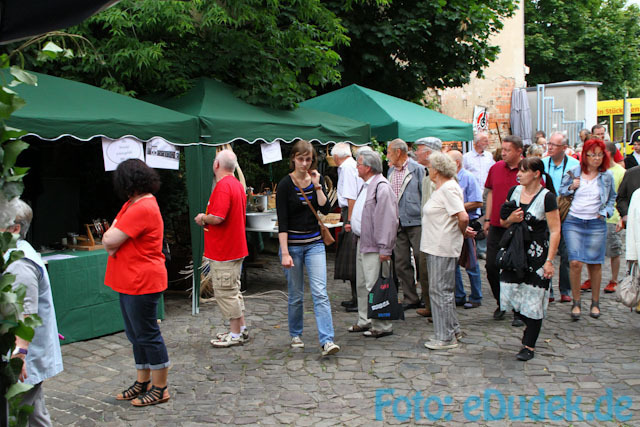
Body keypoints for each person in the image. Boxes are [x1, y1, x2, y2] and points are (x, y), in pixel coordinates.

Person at [103, 159, 170, 406]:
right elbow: (110, 237)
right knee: (136, 335)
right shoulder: (133, 204)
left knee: (147, 334)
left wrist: (112, 241)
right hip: (131, 280)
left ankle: (160, 388)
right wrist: (112, 240)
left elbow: (110, 239)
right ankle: (144, 382)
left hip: (142, 280)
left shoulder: (142, 207)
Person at [276, 140, 340, 356]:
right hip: (293, 246)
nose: (304, 163)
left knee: (320, 292)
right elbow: (282, 222)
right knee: (296, 294)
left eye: (308, 159)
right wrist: (284, 252)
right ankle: (295, 333)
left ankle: (327, 340)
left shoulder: (315, 180)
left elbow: (325, 208)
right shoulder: (285, 184)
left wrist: (318, 185)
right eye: (301, 159)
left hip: (314, 244)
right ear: (293, 158)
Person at [4, 200, 63, 425]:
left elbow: (25, 314)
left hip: (22, 356)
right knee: (33, 411)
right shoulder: (15, 250)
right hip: (23, 354)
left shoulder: (20, 264)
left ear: (14, 228)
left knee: (18, 412)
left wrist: (19, 353)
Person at [499, 158, 561, 361]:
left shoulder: (547, 197)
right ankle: (523, 320)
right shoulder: (513, 192)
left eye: (524, 171)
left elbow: (555, 230)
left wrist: (549, 261)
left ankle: (529, 345)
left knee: (534, 299)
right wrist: (511, 220)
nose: (519, 174)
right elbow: (503, 221)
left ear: (536, 174)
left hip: (537, 254)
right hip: (515, 252)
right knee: (512, 294)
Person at [194, 150, 249, 347]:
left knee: (226, 292)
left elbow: (217, 217)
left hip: (225, 250)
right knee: (232, 290)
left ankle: (235, 334)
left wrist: (203, 218)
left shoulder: (223, 186)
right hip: (233, 248)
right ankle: (240, 330)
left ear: (217, 165)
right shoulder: (235, 184)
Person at [559, 139, 616, 320]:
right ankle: (576, 302)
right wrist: (571, 186)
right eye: (593, 154)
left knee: (595, 262)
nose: (596, 158)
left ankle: (595, 302)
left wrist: (606, 211)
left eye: (600, 155)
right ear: (585, 155)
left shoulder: (606, 176)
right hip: (574, 221)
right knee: (575, 262)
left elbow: (612, 196)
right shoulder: (574, 172)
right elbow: (562, 190)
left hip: (596, 222)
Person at [421, 152, 473, 350]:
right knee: (442, 290)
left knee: (439, 291)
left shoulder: (448, 188)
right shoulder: (442, 188)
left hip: (441, 246)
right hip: (436, 244)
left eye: (431, 167)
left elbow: (463, 216)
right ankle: (452, 329)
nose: (429, 170)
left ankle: (445, 337)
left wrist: (461, 231)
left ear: (437, 169)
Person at [348, 149, 398, 337]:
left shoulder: (381, 187)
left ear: (368, 167)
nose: (356, 167)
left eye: (359, 164)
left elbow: (388, 220)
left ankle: (382, 325)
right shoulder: (367, 185)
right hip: (364, 242)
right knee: (363, 284)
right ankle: (365, 319)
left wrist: (385, 248)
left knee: (376, 285)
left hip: (375, 245)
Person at [483, 135, 524, 325]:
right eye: (503, 149)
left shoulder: (527, 170)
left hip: (518, 227)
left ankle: (518, 309)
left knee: (516, 268)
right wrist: (488, 218)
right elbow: (490, 192)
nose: (504, 152)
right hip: (497, 226)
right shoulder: (495, 168)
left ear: (519, 151)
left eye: (508, 149)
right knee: (491, 266)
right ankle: (502, 301)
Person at [386, 138, 425, 310]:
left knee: (420, 259)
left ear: (398, 152)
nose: (387, 156)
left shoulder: (417, 169)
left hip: (416, 221)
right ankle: (411, 297)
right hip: (397, 221)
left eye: (388, 152)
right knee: (401, 262)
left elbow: (424, 195)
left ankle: (427, 298)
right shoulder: (390, 172)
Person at [543, 132, 579, 303]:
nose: (549, 147)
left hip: (567, 213)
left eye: (554, 145)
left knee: (566, 253)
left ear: (564, 148)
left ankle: (565, 289)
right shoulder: (543, 164)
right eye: (549, 144)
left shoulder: (574, 165)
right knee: (545, 251)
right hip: (546, 212)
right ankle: (547, 289)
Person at [448, 150, 483, 309]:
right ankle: (459, 295)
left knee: (471, 262)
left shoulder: (468, 177)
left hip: (468, 221)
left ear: (457, 163)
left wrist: (457, 207)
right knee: (453, 261)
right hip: (453, 223)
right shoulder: (449, 179)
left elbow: (477, 202)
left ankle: (476, 296)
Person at [330, 142, 363, 312]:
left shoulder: (348, 168)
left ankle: (358, 299)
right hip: (349, 211)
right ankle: (355, 297)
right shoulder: (348, 167)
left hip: (351, 212)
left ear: (336, 156)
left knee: (352, 258)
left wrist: (349, 220)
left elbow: (351, 197)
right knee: (351, 258)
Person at [413, 137, 442, 318]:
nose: (416, 152)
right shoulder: (426, 175)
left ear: (429, 153)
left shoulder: (438, 177)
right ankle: (430, 306)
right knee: (424, 270)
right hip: (426, 229)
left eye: (419, 149)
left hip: (437, 232)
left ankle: (438, 310)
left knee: (436, 273)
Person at [463, 132, 495, 260]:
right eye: (485, 141)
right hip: (473, 195)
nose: (487, 143)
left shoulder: (489, 156)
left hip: (486, 193)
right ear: (477, 143)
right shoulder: (467, 157)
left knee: (485, 219)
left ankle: (483, 247)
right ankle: (476, 247)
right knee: (475, 221)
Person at [599, 142, 625, 294]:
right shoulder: (597, 170)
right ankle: (593, 278)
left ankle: (614, 280)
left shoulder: (620, 172)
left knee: (614, 250)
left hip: (612, 217)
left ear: (608, 153)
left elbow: (622, 196)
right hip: (596, 217)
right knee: (594, 250)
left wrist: (621, 217)